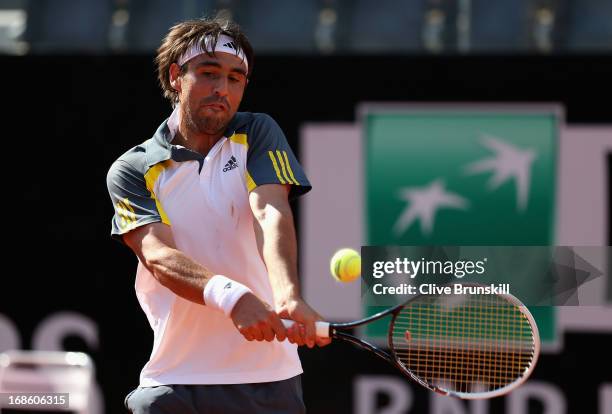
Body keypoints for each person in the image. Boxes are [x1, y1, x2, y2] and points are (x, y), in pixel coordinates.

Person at [106, 17, 330, 414]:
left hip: (270, 385)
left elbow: (269, 210)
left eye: (235, 78)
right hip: (175, 383)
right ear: (177, 76)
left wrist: (287, 294)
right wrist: (232, 298)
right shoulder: (133, 168)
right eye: (209, 74)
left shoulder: (258, 132)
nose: (222, 89)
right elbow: (157, 255)